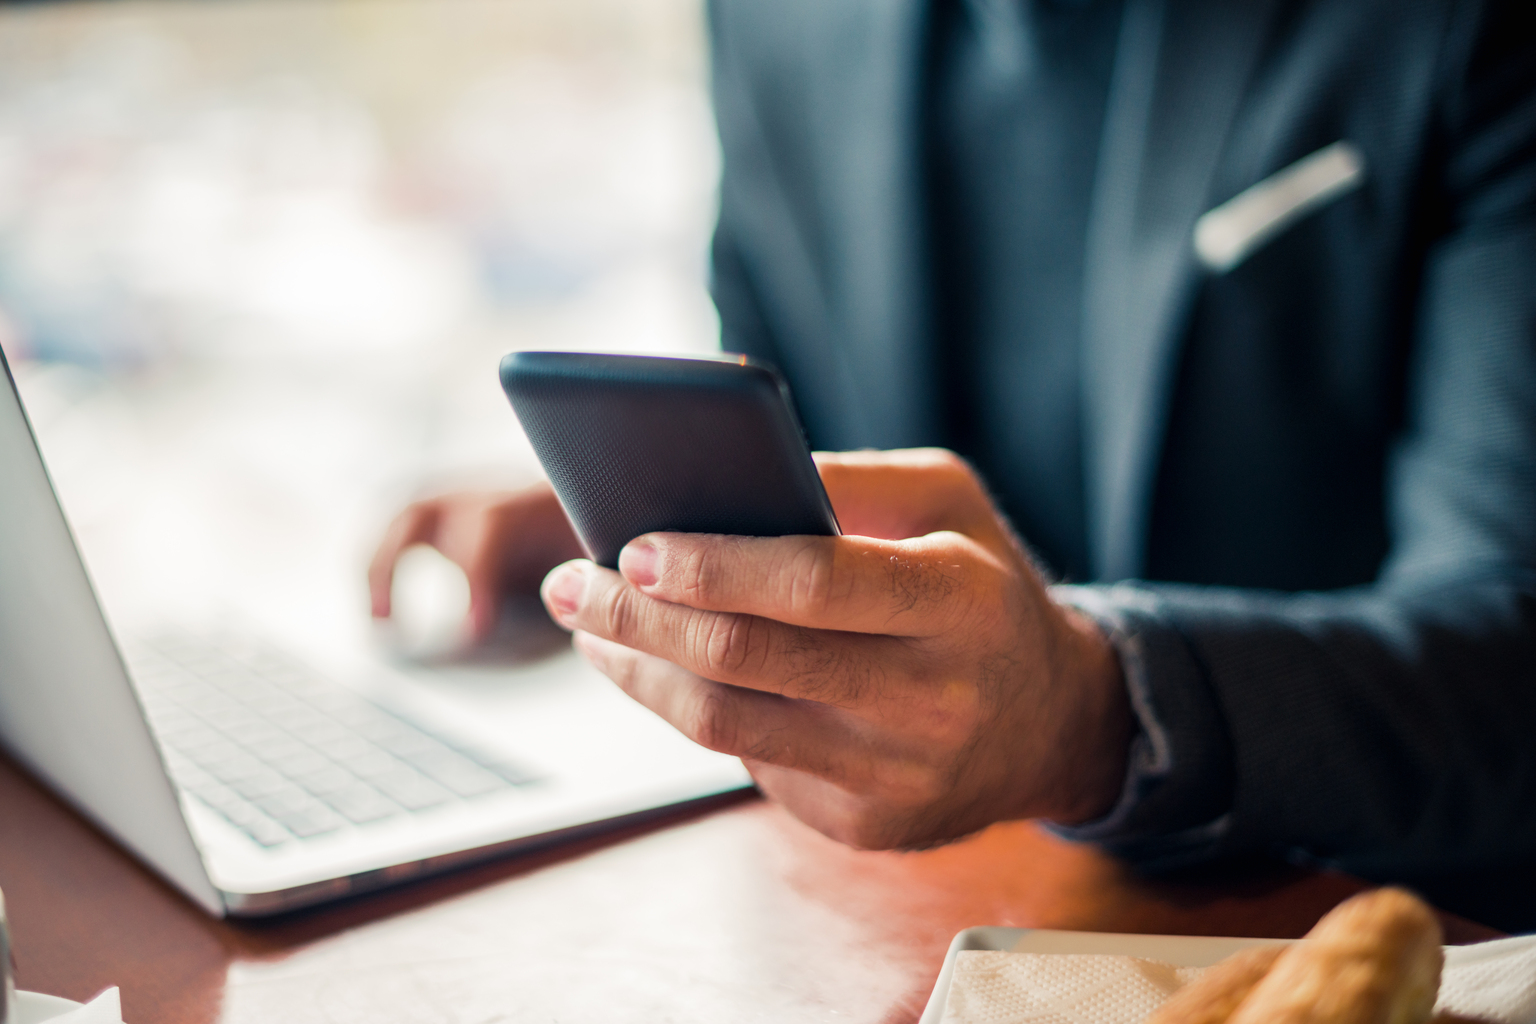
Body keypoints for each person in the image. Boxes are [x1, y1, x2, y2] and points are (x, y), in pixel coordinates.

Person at [371, 0, 1536, 928]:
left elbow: (1510, 640)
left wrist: (1097, 711)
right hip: (919, 925)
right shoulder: (774, 19)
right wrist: (645, 514)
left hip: (1362, 921)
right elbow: (802, 437)